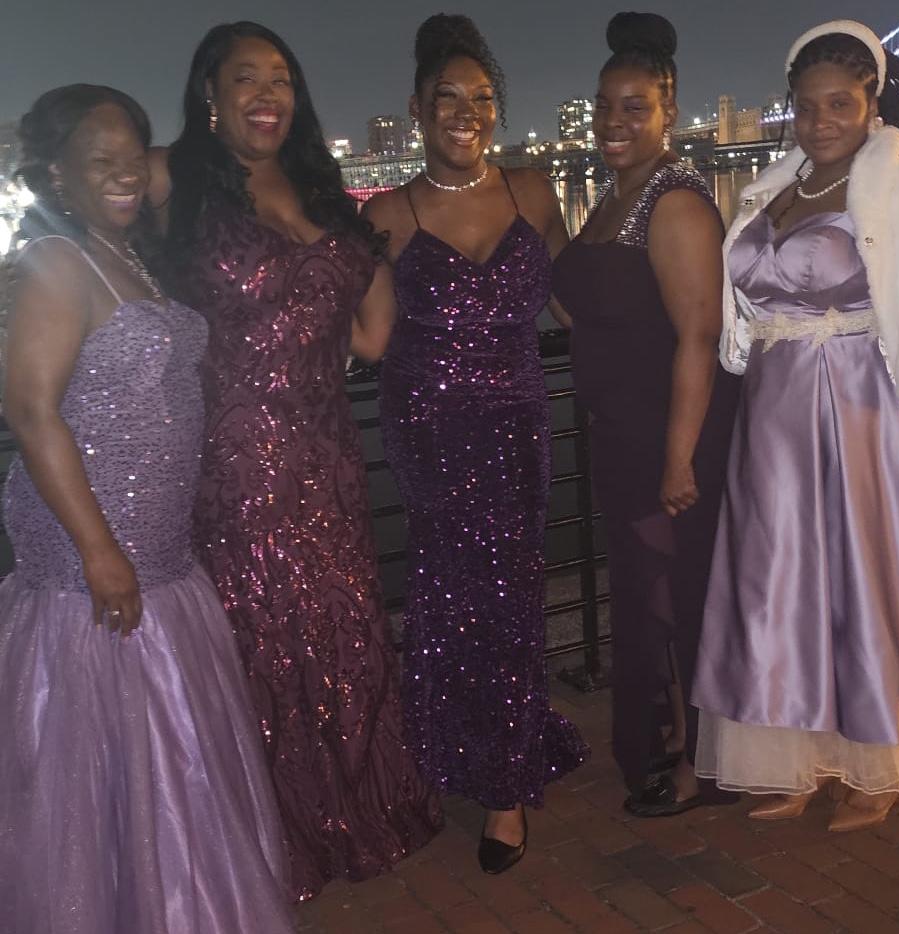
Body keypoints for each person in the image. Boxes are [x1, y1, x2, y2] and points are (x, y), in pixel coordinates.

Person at [148, 21, 441, 899]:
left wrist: (373, 249)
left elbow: (375, 338)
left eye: (281, 77)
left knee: (341, 629)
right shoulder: (174, 179)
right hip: (229, 467)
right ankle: (270, 832)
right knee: (256, 643)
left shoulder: (324, 192)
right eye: (246, 78)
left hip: (325, 459)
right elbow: (82, 227)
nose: (268, 93)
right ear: (210, 94)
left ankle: (357, 810)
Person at [0, 84, 292, 934]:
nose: (126, 172)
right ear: (57, 171)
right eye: (102, 160)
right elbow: (30, 413)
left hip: (162, 555)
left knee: (171, 761)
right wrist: (98, 549)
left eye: (133, 153)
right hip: (98, 566)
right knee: (105, 768)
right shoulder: (57, 261)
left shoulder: (125, 251)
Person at [693, 20, 899, 832]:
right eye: (806, 105)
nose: (822, 119)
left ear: (872, 103)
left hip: (857, 406)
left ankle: (874, 759)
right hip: (772, 411)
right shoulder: (771, 188)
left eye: (841, 102)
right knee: (775, 579)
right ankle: (790, 755)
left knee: (860, 577)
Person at [365, 13, 588, 874]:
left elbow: (572, 300)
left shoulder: (533, 191)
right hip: (430, 431)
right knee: (451, 596)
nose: (467, 111)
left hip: (519, 423)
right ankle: (452, 748)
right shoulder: (389, 212)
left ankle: (504, 780)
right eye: (448, 97)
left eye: (482, 97)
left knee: (511, 594)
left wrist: (668, 329)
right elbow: (373, 337)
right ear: (418, 109)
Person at [551, 11, 739, 817]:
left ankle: (702, 764)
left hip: (673, 431)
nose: (614, 121)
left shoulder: (675, 203)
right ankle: (661, 740)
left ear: (668, 108)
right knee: (643, 590)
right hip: (623, 428)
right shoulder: (610, 196)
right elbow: (580, 308)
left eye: (634, 106)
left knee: (676, 593)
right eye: (604, 105)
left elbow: (698, 337)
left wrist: (677, 459)